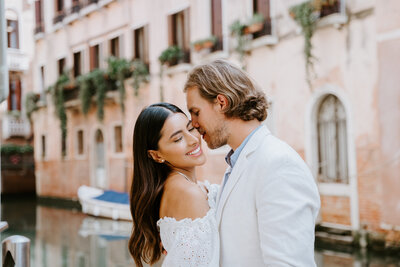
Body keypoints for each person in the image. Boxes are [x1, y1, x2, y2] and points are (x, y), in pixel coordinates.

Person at [184, 60, 321, 266]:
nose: (193, 124)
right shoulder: (239, 161)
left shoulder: (278, 164)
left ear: (221, 102)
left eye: (196, 112)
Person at [128, 103, 219, 267]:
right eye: (178, 138)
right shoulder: (188, 193)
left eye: (191, 128)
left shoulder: (174, 187)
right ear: (156, 155)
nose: (193, 140)